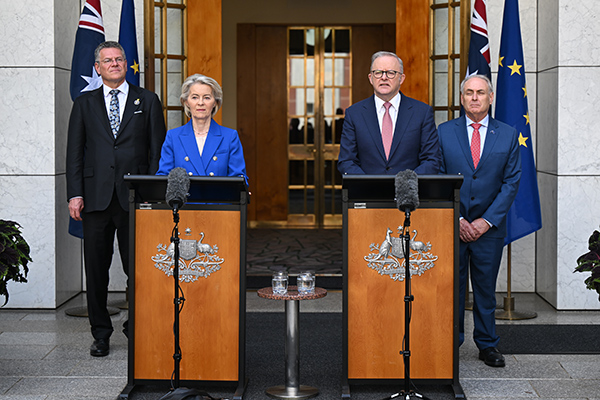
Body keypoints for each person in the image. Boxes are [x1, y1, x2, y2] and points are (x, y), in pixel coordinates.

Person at [66, 41, 166, 357]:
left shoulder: (147, 100)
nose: (114, 64)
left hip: (135, 198)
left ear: (126, 64)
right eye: (107, 60)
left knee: (138, 269)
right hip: (94, 199)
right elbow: (74, 154)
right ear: (97, 67)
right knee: (97, 271)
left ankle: (136, 328)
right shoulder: (84, 103)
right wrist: (75, 193)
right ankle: (101, 334)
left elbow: (157, 151)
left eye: (119, 59)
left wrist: (152, 194)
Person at [438, 74, 521, 368]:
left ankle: (487, 345)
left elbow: (511, 182)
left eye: (481, 92)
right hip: (453, 226)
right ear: (462, 98)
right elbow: (438, 176)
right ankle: (452, 343)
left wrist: (486, 221)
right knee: (452, 288)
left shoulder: (508, 134)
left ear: (491, 97)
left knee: (485, 290)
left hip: (489, 230)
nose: (475, 97)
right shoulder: (443, 132)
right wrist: (458, 218)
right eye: (469, 92)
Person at [337, 51, 440, 175]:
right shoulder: (354, 114)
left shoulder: (422, 112)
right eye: (378, 72)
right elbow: (346, 161)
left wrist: (407, 182)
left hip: (409, 187)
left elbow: (431, 160)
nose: (384, 77)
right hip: (367, 187)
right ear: (370, 78)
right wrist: (367, 183)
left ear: (401, 78)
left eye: (391, 73)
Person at [156, 74, 247, 182]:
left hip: (217, 193)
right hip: (187, 194)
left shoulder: (230, 136)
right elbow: (163, 178)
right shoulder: (173, 137)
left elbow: (238, 179)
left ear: (215, 102)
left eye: (206, 97)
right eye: (195, 97)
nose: (200, 103)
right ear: (186, 102)